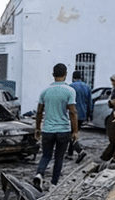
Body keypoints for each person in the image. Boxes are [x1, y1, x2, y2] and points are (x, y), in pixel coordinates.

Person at [33, 63, 78, 192]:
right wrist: (75, 131)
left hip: (47, 130)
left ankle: (39, 174)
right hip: (64, 130)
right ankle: (53, 183)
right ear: (65, 74)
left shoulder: (45, 92)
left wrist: (37, 128)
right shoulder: (70, 91)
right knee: (59, 157)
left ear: (53, 75)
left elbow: (39, 112)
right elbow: (73, 112)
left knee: (46, 156)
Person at [67, 71, 91, 163]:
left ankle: (79, 151)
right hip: (82, 114)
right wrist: (89, 115)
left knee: (71, 133)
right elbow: (89, 103)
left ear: (73, 77)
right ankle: (70, 153)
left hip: (71, 113)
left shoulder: (70, 87)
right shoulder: (87, 87)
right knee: (74, 132)